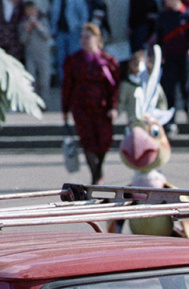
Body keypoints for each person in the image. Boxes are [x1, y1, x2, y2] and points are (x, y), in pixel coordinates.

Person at [61, 22, 120, 186]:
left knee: (104, 141)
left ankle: (99, 169)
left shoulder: (108, 61)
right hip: (81, 107)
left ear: (97, 39)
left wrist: (113, 107)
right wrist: (65, 109)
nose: (84, 40)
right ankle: (95, 177)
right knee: (87, 141)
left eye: (88, 37)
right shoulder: (74, 60)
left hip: (102, 108)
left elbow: (114, 87)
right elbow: (67, 86)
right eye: (82, 37)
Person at [155, 0, 189, 122]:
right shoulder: (163, 16)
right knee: (169, 88)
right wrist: (159, 55)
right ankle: (171, 119)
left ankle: (188, 108)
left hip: (184, 56)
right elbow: (159, 37)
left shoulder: (188, 15)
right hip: (169, 57)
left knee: (186, 85)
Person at [20, 1, 53, 98]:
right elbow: (22, 40)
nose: (31, 12)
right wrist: (27, 30)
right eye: (28, 10)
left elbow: (47, 35)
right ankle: (33, 103)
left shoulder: (43, 20)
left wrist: (39, 26)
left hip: (43, 55)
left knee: (44, 81)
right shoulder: (23, 23)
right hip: (30, 55)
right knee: (32, 80)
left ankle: (44, 103)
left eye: (33, 10)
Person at [51, 0, 89, 84]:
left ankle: (76, 81)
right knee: (61, 59)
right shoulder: (56, 1)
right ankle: (64, 82)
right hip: (60, 33)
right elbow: (53, 15)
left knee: (74, 58)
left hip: (73, 32)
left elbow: (84, 14)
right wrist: (53, 30)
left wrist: (81, 29)